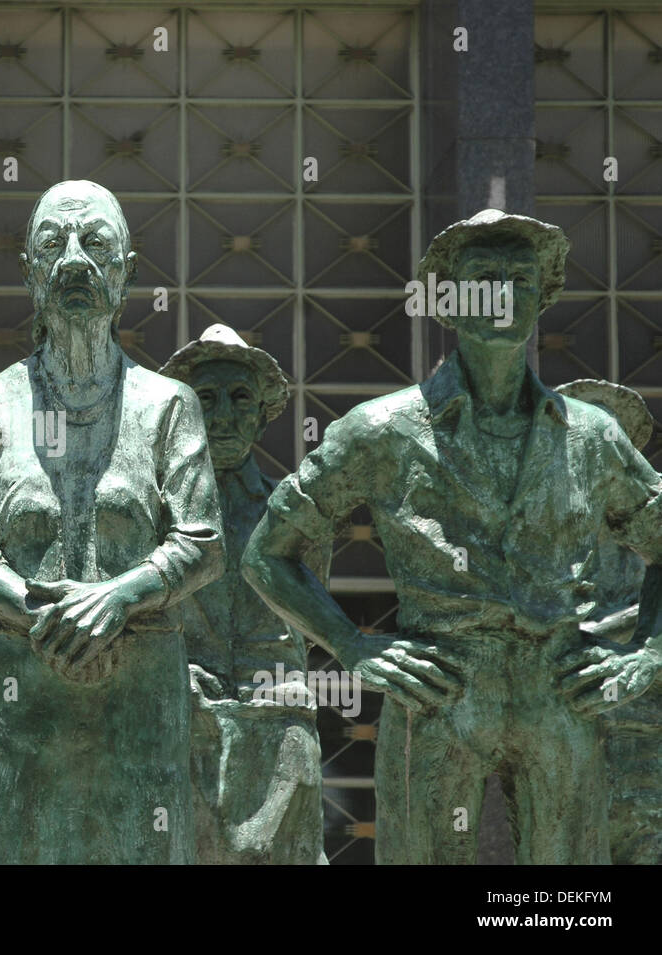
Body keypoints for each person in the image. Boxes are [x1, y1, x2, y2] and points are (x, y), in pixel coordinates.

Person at [243, 208, 662, 864]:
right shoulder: (381, 430)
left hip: (557, 692)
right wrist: (351, 643)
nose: (502, 293)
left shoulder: (591, 436)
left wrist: (649, 654)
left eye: (522, 278)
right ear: (446, 298)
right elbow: (266, 554)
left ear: (545, 296)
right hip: (437, 696)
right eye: (482, 276)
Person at [0, 180, 224, 863]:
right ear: (30, 273)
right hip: (10, 696)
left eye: (95, 243)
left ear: (126, 269)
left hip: (138, 696)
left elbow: (203, 539)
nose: (73, 260)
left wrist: (118, 598)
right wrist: (51, 618)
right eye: (53, 245)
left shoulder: (169, 405)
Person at [160, 324, 326, 864]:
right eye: (205, 399)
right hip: (181, 705)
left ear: (260, 413)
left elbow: (307, 620)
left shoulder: (294, 513)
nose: (224, 415)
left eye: (239, 399)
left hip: (278, 710)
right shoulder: (153, 511)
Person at [554, 378, 661, 864]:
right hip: (555, 698)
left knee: (638, 821)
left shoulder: (650, 510)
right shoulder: (540, 515)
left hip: (638, 701)